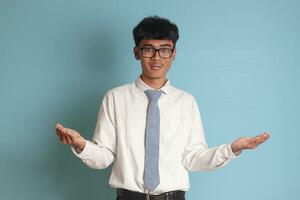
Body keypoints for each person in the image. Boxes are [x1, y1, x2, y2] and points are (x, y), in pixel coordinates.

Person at [55, 16, 271, 200]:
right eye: (149, 49)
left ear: (174, 54)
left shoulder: (186, 102)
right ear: (137, 52)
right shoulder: (115, 98)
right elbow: (104, 157)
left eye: (165, 50)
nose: (157, 57)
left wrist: (232, 149)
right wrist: (81, 144)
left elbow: (193, 158)